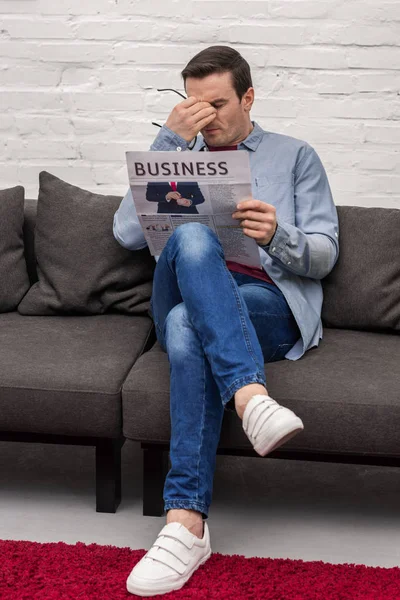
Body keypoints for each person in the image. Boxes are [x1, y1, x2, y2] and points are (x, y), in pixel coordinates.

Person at [113, 45, 339, 597]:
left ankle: (185, 523)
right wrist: (168, 142)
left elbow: (325, 252)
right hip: (184, 285)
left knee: (191, 326)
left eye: (217, 103)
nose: (206, 117)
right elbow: (123, 234)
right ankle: (251, 397)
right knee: (191, 234)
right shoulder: (177, 150)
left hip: (266, 302)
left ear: (249, 97)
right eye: (195, 105)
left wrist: (277, 235)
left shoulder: (295, 155)